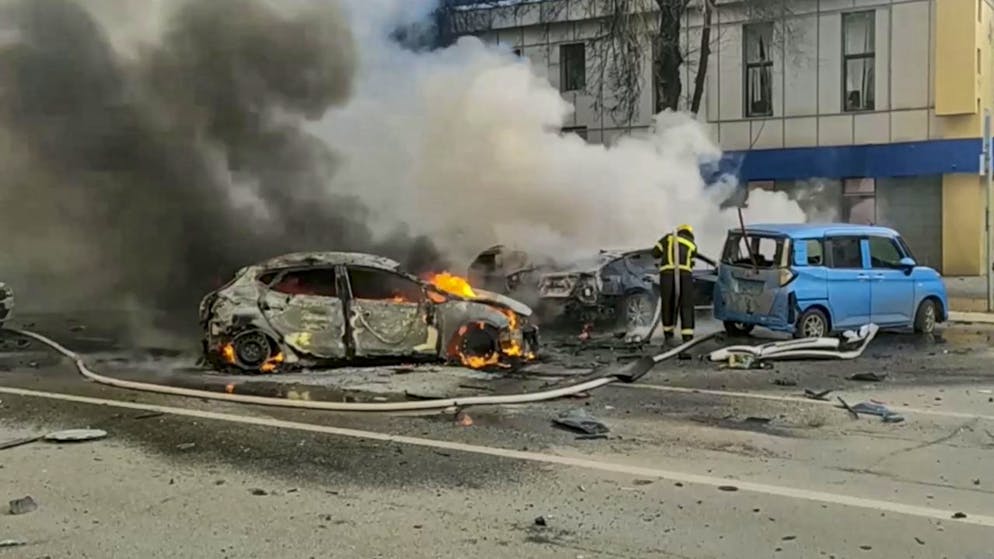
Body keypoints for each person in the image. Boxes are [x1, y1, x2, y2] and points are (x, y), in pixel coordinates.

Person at [652, 224, 717, 343]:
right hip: (685, 277)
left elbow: (655, 252)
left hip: (667, 275)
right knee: (686, 305)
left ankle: (668, 334)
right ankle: (687, 336)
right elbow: (691, 259)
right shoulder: (692, 245)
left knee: (667, 304)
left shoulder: (668, 238)